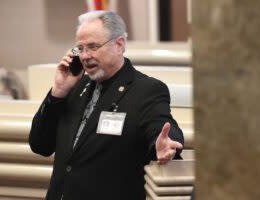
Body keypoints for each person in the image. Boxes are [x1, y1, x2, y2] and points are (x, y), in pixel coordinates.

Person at [29, 10, 184, 200]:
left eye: (93, 47)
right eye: (80, 48)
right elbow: (40, 145)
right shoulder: (75, 85)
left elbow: (163, 127)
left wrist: (165, 145)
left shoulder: (146, 90)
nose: (85, 56)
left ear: (119, 44)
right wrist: (58, 92)